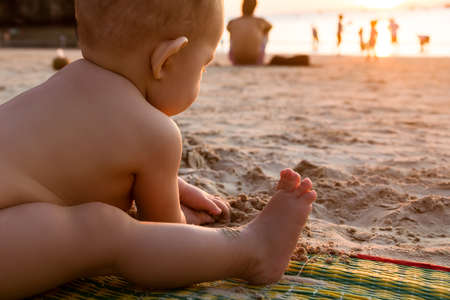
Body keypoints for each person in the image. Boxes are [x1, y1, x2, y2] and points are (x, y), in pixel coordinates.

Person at [0, 0, 317, 299]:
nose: (202, 75)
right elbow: (165, 233)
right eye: (204, 65)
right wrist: (179, 217)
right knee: (102, 230)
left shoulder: (61, 85)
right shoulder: (157, 134)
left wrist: (168, 184)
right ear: (166, 60)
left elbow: (62, 168)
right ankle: (251, 250)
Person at [227, 0, 272, 65]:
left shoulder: (232, 22)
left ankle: (237, 51)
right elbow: (270, 27)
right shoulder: (260, 21)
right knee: (266, 32)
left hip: (236, 59)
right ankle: (259, 57)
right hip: (255, 58)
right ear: (254, 7)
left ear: (242, 7)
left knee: (233, 32)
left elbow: (228, 28)